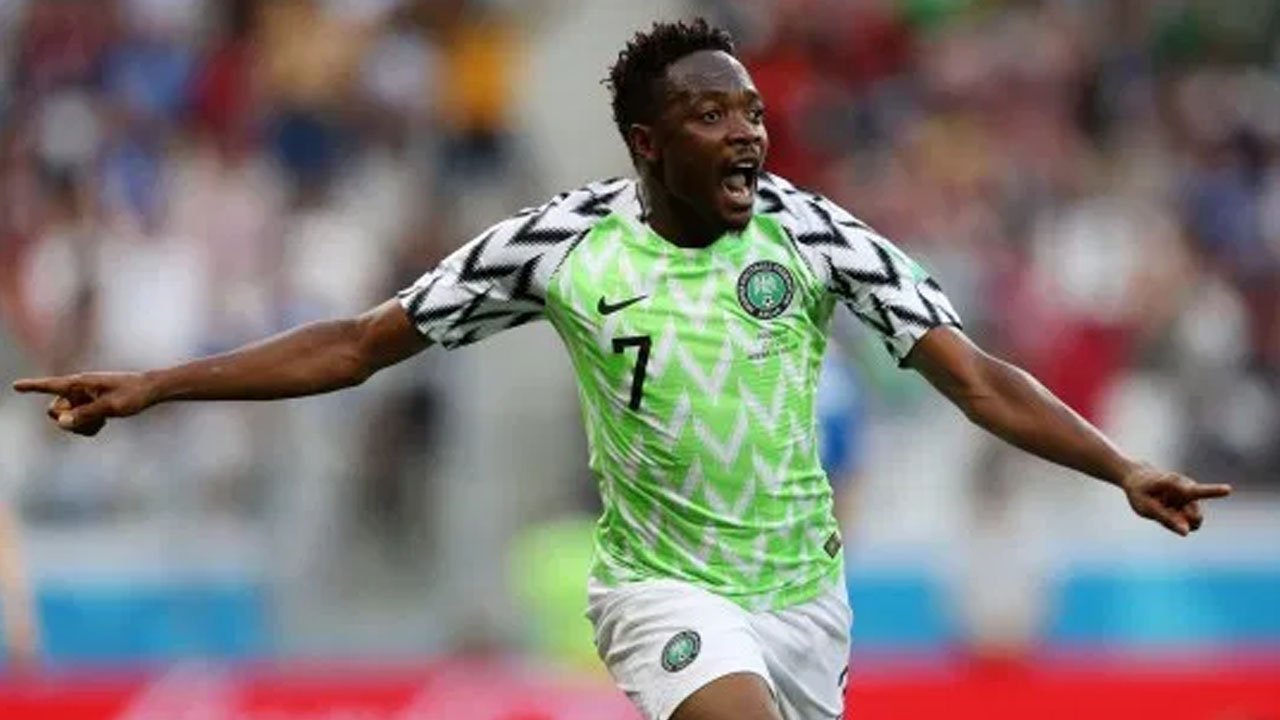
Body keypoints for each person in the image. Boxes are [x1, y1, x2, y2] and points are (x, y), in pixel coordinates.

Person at [11, 19, 1231, 720]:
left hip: (804, 599)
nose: (746, 134)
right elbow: (356, 344)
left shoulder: (814, 235)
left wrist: (1118, 466)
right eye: (712, 117)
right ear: (647, 143)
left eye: (751, 113)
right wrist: (159, 384)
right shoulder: (554, 246)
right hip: (661, 591)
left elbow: (974, 377)